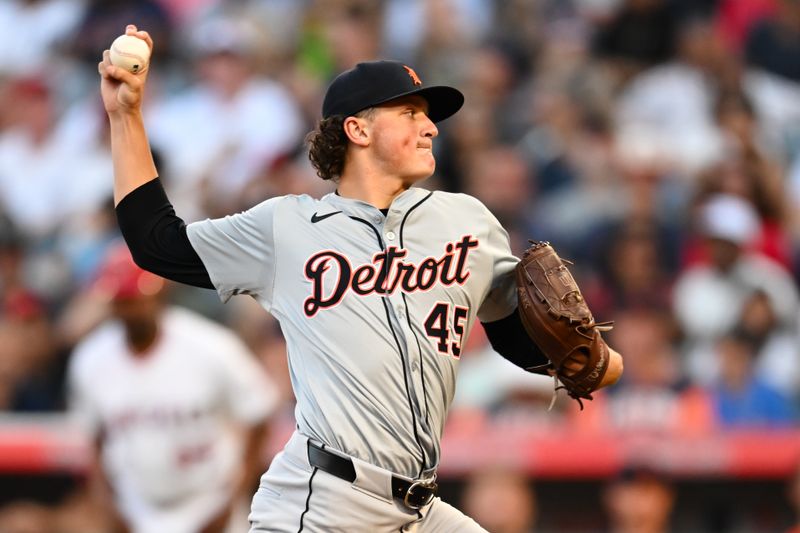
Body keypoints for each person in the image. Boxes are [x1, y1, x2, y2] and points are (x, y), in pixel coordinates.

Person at [97, 25, 623, 532]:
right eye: (410, 112)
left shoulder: (467, 220)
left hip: (418, 506)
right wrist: (127, 117)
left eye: (428, 116)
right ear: (358, 129)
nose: (431, 127)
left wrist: (591, 360)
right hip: (325, 503)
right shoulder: (286, 228)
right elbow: (155, 243)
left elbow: (515, 331)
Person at [67, 244, 278, 533]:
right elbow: (94, 439)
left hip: (209, 501)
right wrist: (109, 506)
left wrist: (233, 499)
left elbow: (259, 414)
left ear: (160, 293)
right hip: (137, 506)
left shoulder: (211, 346)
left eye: (136, 298)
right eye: (121, 300)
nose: (129, 309)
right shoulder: (90, 358)